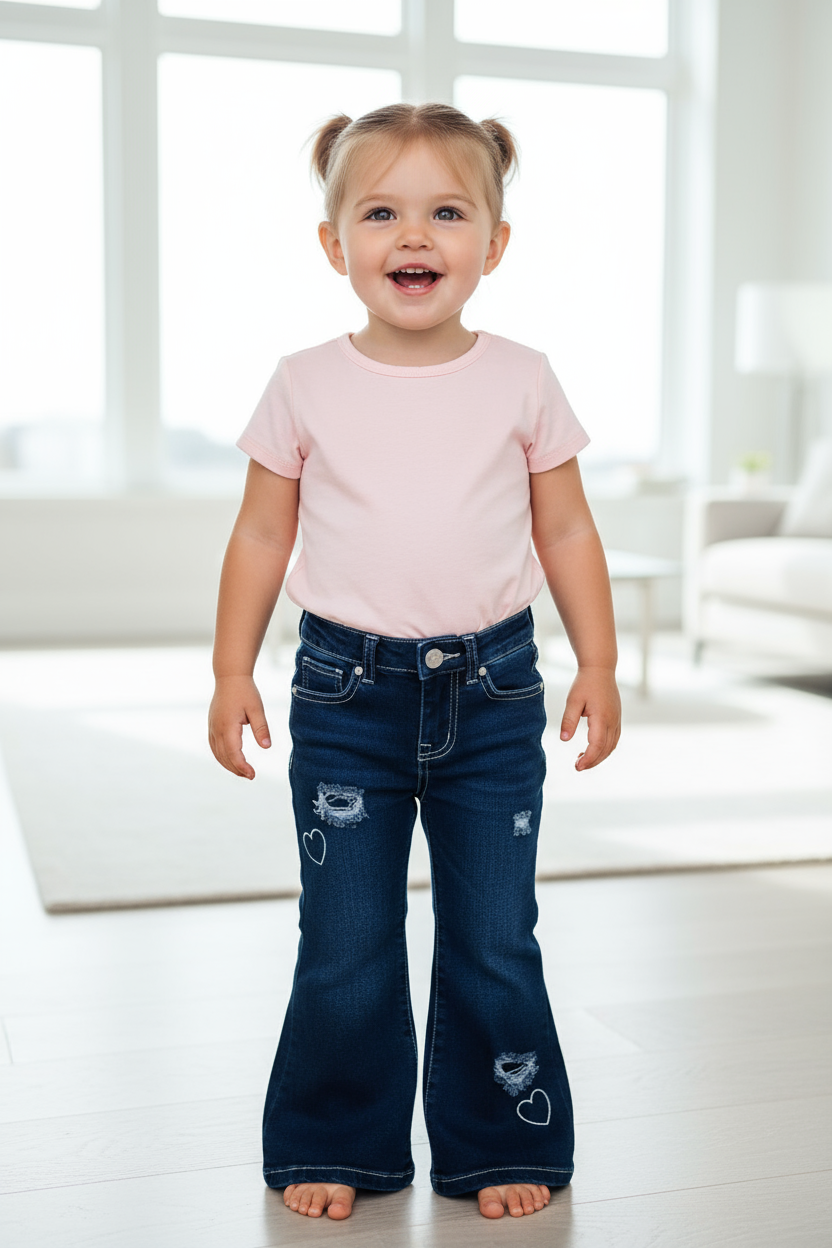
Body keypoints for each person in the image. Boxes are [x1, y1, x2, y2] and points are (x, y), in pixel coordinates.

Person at [208, 101, 621, 1223]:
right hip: (346, 693)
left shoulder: (524, 378)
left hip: (492, 692)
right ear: (335, 244)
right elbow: (259, 535)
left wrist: (600, 661)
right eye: (381, 212)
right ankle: (336, 1138)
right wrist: (231, 670)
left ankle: (495, 1143)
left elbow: (567, 531)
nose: (414, 236)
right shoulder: (302, 382)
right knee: (346, 936)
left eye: (447, 211)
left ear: (493, 244)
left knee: (492, 933)